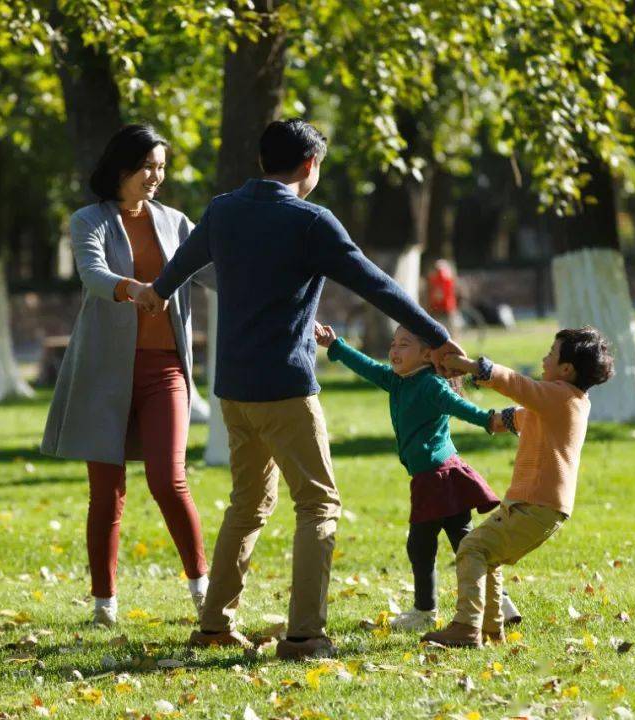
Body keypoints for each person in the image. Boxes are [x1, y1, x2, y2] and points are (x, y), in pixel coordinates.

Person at [136, 119, 465, 659]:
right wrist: (438, 337)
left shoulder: (223, 210)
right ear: (309, 165)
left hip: (234, 392)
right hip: (286, 387)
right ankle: (305, 634)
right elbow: (376, 284)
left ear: (264, 160)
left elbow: (183, 264)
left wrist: (157, 292)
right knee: (318, 504)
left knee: (247, 504)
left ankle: (215, 625)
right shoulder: (311, 221)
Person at [40, 125, 212, 627]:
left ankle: (204, 588)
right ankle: (104, 604)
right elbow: (93, 275)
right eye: (148, 168)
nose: (156, 176)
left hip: (165, 371)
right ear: (122, 170)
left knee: (169, 478)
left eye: (161, 167)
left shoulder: (175, 221)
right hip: (104, 371)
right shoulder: (88, 220)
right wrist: (134, 289)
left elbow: (212, 273)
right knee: (107, 491)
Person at [313, 322, 521, 632]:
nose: (394, 350)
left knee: (439, 546)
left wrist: (493, 421)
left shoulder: (430, 385)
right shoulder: (397, 381)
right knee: (458, 543)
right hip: (429, 479)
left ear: (427, 355)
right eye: (394, 343)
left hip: (441, 478)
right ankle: (494, 602)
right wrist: (335, 346)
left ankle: (432, 611)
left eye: (404, 345)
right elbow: (368, 366)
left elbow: (461, 408)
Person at [421, 326, 614, 648]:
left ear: (566, 370)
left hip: (535, 505)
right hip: (536, 506)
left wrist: (469, 366)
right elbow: (516, 418)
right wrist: (472, 412)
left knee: (472, 548)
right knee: (487, 554)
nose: (544, 358)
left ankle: (466, 628)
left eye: (551, 354)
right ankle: (490, 630)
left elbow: (517, 386)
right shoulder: (562, 403)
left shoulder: (560, 396)